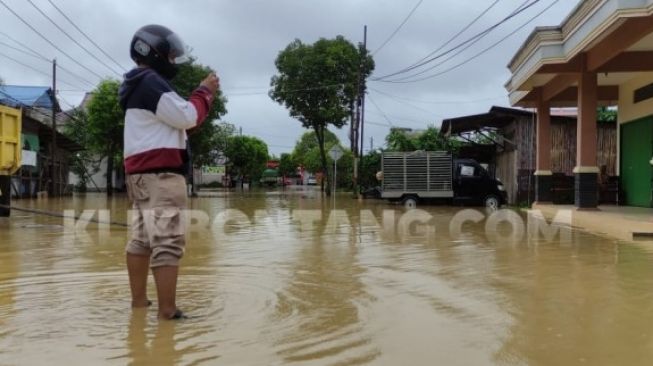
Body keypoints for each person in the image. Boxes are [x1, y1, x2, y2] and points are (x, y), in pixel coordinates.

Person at [119, 24, 219, 319]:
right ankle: (168, 313)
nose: (173, 62)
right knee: (167, 242)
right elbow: (187, 116)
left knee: (141, 240)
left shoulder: (136, 84)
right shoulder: (151, 82)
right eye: (171, 56)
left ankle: (139, 305)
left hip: (138, 177)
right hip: (161, 177)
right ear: (155, 53)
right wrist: (205, 92)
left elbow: (176, 119)